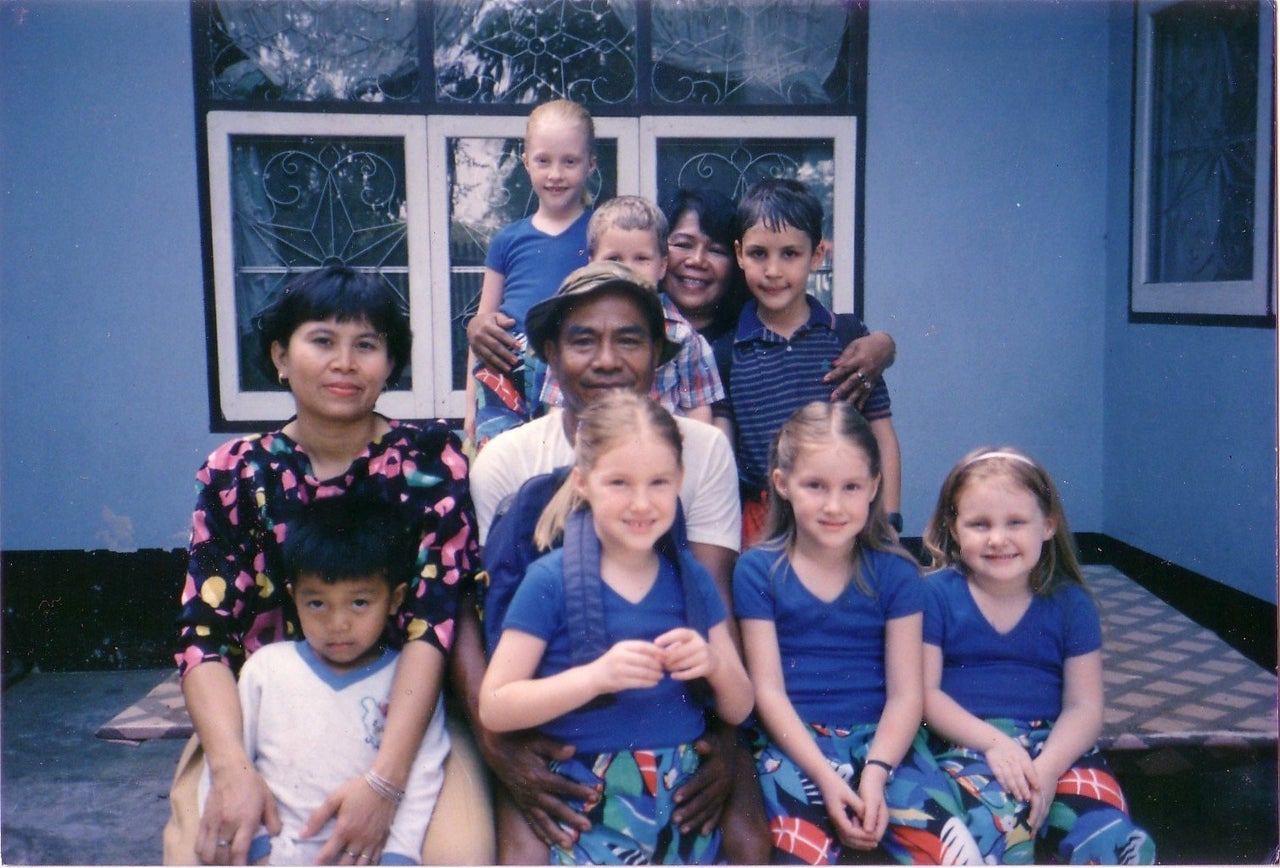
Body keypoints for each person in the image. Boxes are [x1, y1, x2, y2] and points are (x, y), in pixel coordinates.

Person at [166, 265, 488, 866]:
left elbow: (431, 624)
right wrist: (232, 769)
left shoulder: (433, 464)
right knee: (201, 852)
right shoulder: (237, 473)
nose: (345, 362)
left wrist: (385, 784)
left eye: (366, 344)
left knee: (460, 855)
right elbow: (202, 635)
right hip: (264, 724)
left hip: (404, 729)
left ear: (390, 363)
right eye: (322, 340)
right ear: (280, 355)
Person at [457, 260, 770, 864]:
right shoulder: (508, 461)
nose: (606, 359)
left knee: (750, 844)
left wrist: (725, 743)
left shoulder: (699, 449)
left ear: (657, 353)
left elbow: (713, 603)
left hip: (676, 722)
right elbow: (487, 617)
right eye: (582, 339)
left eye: (629, 338)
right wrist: (504, 750)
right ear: (550, 353)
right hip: (554, 720)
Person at [479, 392, 754, 864]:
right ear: (584, 483)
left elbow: (740, 705)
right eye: (620, 483)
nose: (641, 503)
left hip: (680, 803)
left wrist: (712, 665)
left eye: (658, 482)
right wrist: (595, 677)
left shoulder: (691, 579)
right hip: (588, 804)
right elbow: (496, 706)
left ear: (680, 482)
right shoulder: (551, 581)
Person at [735, 402, 980, 865]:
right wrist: (827, 779)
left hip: (884, 744)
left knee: (950, 849)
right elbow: (767, 691)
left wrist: (874, 774)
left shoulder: (897, 574)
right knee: (794, 851)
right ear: (782, 485)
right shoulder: (758, 571)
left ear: (873, 488)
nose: (833, 505)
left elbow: (908, 694)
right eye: (815, 486)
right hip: (794, 745)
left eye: (850, 487)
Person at [921, 448, 1156, 864]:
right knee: (996, 830)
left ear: (1047, 525)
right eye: (979, 524)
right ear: (954, 529)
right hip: (968, 742)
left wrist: (1048, 769)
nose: (997, 538)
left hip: (1059, 745)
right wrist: (993, 744)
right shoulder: (935, 596)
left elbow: (1084, 705)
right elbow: (926, 695)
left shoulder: (1071, 603)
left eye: (1016, 522)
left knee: (1108, 830)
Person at [197, 496, 450, 866]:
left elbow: (423, 776)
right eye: (317, 604)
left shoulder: (408, 681)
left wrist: (400, 855)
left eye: (359, 603)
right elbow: (226, 766)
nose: (338, 624)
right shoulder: (266, 671)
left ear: (394, 599)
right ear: (293, 597)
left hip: (366, 856)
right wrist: (254, 849)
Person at [712, 178, 902, 545]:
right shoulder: (726, 350)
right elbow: (722, 453)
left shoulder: (847, 336)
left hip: (843, 511)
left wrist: (890, 520)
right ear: (739, 254)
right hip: (762, 522)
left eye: (790, 254)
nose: (773, 270)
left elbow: (881, 432)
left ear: (817, 255)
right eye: (758, 254)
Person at [662, 187, 894, 406]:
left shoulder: (744, 341)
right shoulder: (636, 328)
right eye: (683, 244)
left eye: (716, 250)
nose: (697, 260)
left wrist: (882, 345)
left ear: (737, 260)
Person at [465, 98, 595, 448]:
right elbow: (483, 325)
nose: (555, 174)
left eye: (570, 161)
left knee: (565, 459)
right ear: (526, 163)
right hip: (506, 366)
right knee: (500, 460)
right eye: (543, 160)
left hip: (575, 367)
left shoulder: (600, 233)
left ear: (590, 166)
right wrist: (470, 408)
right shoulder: (508, 239)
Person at [542, 195, 725, 424]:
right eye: (614, 258)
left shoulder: (683, 337)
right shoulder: (572, 332)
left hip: (659, 452)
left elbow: (699, 413)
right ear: (592, 263)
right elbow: (558, 411)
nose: (626, 270)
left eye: (641, 259)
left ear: (662, 266)